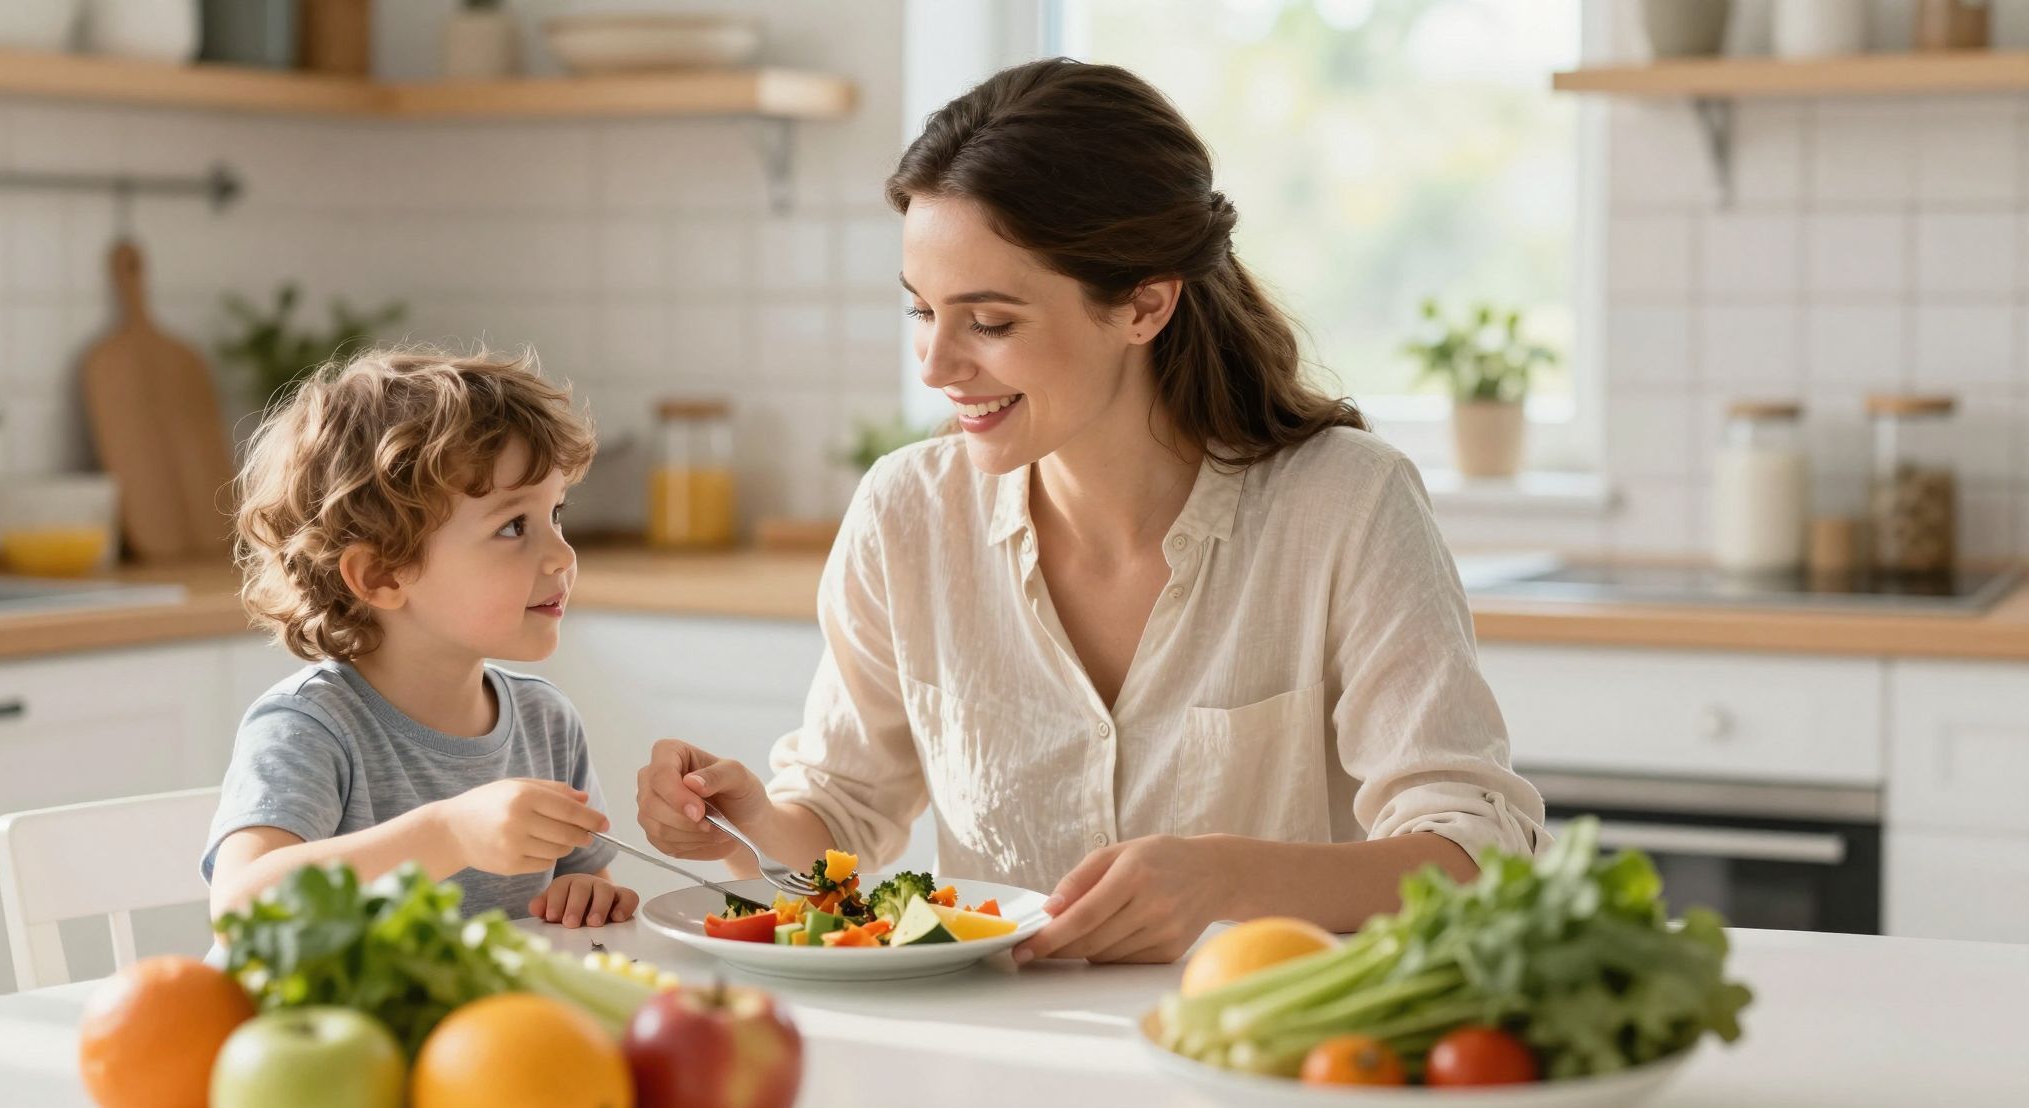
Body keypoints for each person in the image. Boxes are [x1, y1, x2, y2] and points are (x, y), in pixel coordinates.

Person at [635, 59, 1547, 964]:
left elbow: (1477, 852)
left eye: (989, 323)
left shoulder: (1346, 504)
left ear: (1145, 304)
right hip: (1005, 1055)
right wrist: (749, 824)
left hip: (1260, 1054)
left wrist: (1227, 878)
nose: (936, 365)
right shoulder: (906, 514)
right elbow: (842, 817)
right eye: (921, 311)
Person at [201, 348, 637, 929]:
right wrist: (445, 834)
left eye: (556, 514)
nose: (562, 555)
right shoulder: (310, 727)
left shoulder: (545, 722)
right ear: (382, 575)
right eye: (513, 527)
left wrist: (586, 892)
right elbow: (242, 903)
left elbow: (584, 888)